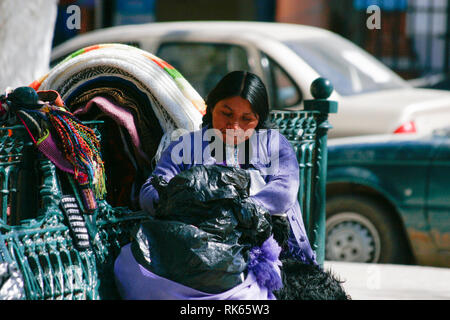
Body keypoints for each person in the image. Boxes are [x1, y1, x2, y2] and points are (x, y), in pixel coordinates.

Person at [114, 71, 317, 299]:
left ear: (259, 119)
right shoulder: (186, 145)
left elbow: (283, 195)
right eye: (226, 113)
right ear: (211, 108)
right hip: (192, 249)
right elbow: (151, 190)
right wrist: (186, 203)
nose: (234, 126)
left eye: (247, 119)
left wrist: (229, 209)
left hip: (259, 249)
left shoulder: (275, 146)